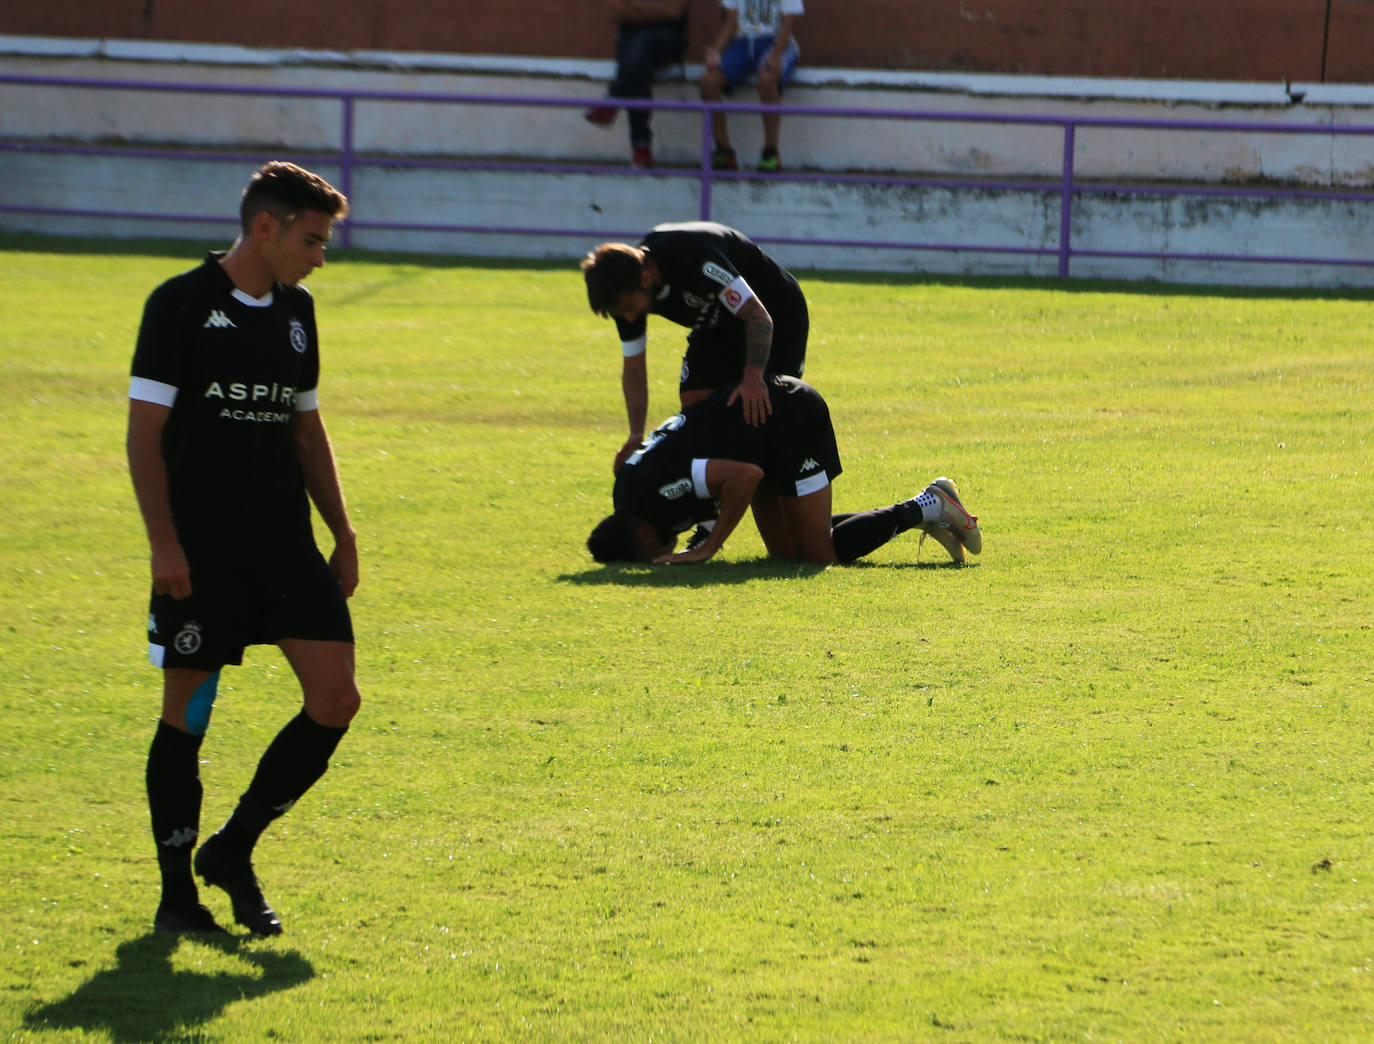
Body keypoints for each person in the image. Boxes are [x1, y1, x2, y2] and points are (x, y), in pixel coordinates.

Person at [127, 161, 361, 936]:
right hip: (202, 558)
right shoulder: (180, 307)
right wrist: (165, 545)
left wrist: (343, 532)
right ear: (266, 226)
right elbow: (143, 437)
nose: (321, 255)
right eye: (313, 239)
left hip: (284, 550)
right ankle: (176, 895)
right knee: (187, 719)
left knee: (336, 700)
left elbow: (306, 428)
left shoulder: (298, 314)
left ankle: (233, 849)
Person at [587, 376, 983, 565]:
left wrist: (709, 548)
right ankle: (915, 518)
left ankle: (930, 504)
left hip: (789, 419)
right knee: (786, 554)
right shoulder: (630, 497)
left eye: (649, 556)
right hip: (757, 440)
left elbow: (743, 477)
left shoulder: (654, 489)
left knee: (815, 554)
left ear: (642, 533)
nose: (659, 560)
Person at [581, 220, 809, 475]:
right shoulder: (624, 291)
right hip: (717, 323)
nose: (630, 318)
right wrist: (636, 434)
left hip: (775, 317)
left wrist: (753, 378)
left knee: (759, 416)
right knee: (695, 412)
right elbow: (634, 367)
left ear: (646, 277)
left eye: (630, 308)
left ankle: (756, 482)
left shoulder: (694, 257)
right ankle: (707, 499)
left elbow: (758, 317)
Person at [584, 0, 691, 169]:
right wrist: (657, 11)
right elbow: (616, 13)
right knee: (639, 58)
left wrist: (634, 8)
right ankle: (642, 149)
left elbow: (674, 11)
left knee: (640, 44)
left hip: (669, 41)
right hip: (633, 44)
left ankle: (613, 101)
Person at [699, 0, 804, 172]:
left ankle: (771, 153)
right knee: (708, 81)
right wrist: (715, 51)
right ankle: (724, 152)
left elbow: (787, 27)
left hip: (774, 42)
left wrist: (776, 54)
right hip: (742, 43)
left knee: (767, 77)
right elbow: (731, 23)